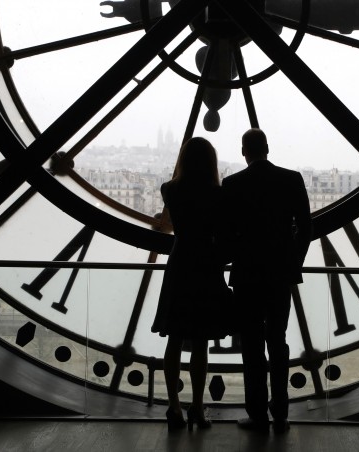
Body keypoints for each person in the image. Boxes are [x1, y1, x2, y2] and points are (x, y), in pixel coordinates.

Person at [221, 128, 312, 434]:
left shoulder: (232, 185)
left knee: (252, 346)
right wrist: (291, 263)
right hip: (279, 274)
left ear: (244, 151)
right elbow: (306, 228)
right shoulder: (291, 179)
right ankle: (281, 413)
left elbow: (226, 233)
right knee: (278, 341)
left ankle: (257, 414)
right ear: (268, 148)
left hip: (247, 274)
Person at [151, 137, 231, 432]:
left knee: (174, 338)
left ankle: (174, 406)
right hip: (206, 266)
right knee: (201, 342)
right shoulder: (217, 194)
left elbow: (171, 224)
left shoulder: (169, 190)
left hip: (180, 262)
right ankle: (197, 406)